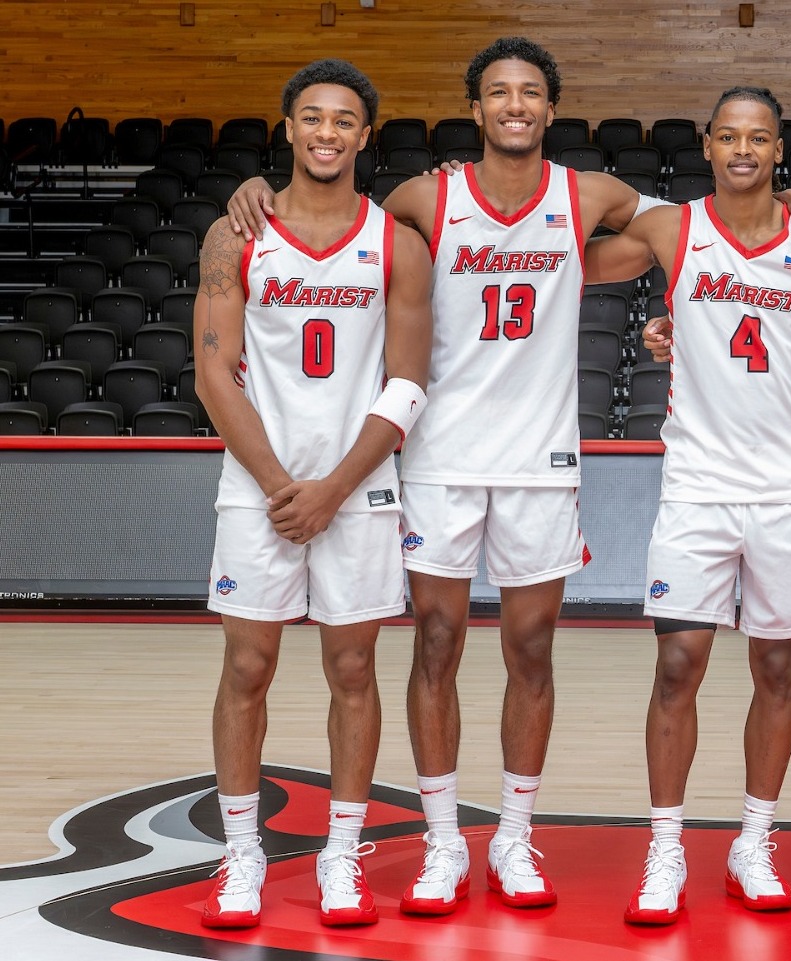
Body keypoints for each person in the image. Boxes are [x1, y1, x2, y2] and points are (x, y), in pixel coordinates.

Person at [226, 38, 791, 915]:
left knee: (531, 651)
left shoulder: (590, 196)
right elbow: (330, 212)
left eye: (530, 94)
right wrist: (253, 192)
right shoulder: (421, 199)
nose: (514, 106)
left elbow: (711, 222)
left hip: (542, 460)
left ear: (551, 110)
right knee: (435, 644)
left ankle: (513, 835)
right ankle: (444, 841)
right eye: (497, 93)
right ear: (473, 111)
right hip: (438, 454)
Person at [580, 86, 791, 926]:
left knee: (777, 668)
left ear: (778, 150)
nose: (743, 149)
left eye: (759, 138)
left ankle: (755, 838)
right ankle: (667, 844)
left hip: (789, 488)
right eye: (728, 136)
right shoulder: (671, 230)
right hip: (698, 485)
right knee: (677, 664)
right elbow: (559, 257)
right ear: (708, 146)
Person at [196, 59, 433, 929]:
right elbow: (215, 372)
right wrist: (276, 483)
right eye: (311, 117)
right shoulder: (235, 238)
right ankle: (241, 854)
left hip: (358, 492)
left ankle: (341, 853)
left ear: (365, 135)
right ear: (288, 128)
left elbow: (408, 382)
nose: (327, 132)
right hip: (256, 488)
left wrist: (332, 489)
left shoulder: (396, 242)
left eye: (343, 120)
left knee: (352, 670)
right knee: (247, 667)